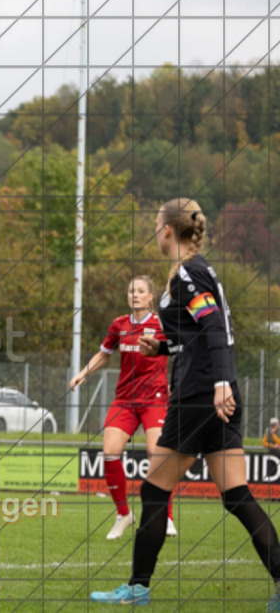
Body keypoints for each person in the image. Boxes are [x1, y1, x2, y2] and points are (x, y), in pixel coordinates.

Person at [91, 198, 280, 608]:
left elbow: (214, 326)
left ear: (166, 230)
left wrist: (221, 383)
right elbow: (195, 333)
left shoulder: (188, 273)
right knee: (236, 495)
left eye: (156, 223)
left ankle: (137, 588)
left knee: (154, 491)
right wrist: (160, 346)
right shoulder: (197, 271)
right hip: (216, 394)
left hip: (200, 396)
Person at [69, 276, 176, 540]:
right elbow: (104, 354)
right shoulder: (119, 324)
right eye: (131, 291)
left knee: (157, 453)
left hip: (155, 398)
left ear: (151, 297)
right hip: (125, 399)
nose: (135, 294)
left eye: (141, 291)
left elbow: (182, 351)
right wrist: (83, 372)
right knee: (109, 451)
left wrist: (178, 383)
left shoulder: (162, 324)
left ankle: (167, 515)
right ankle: (123, 514)